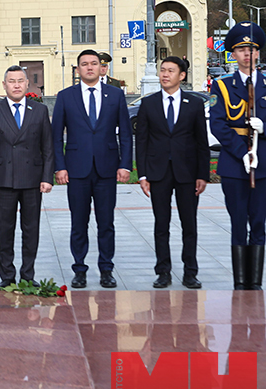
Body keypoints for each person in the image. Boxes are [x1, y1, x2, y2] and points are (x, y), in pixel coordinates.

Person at [52, 49, 132, 289]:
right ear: (77, 70)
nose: (89, 68)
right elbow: (56, 136)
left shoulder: (115, 95)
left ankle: (106, 269)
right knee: (79, 222)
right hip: (77, 169)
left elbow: (126, 134)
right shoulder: (66, 96)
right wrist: (60, 167)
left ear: (101, 68)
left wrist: (125, 164)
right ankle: (79, 269)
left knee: (106, 222)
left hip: (107, 169)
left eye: (94, 64)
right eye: (84, 64)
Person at [135, 57, 209, 289]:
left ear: (182, 76)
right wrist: (143, 174)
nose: (165, 74)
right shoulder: (149, 104)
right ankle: (163, 271)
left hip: (187, 173)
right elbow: (142, 141)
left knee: (189, 224)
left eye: (170, 71)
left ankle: (190, 272)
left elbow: (201, 143)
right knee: (161, 224)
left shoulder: (194, 104)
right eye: (162, 70)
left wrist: (203, 175)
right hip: (158, 173)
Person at [0, 65, 54, 289]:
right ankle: (7, 275)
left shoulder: (39, 111)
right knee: (6, 229)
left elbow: (48, 147)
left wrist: (47, 177)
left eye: (20, 80)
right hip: (3, 180)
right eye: (11, 81)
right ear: (4, 85)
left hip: (32, 179)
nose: (16, 85)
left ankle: (28, 274)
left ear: (27, 84)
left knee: (31, 229)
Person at [209, 21, 266, 290]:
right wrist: (242, 152)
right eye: (241, 49)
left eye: (251, 50)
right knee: (237, 220)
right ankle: (240, 281)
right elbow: (217, 123)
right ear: (233, 53)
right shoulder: (221, 86)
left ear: (258, 53)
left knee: (258, 220)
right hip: (234, 163)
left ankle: (255, 281)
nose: (247, 55)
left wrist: (263, 127)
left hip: (263, 163)